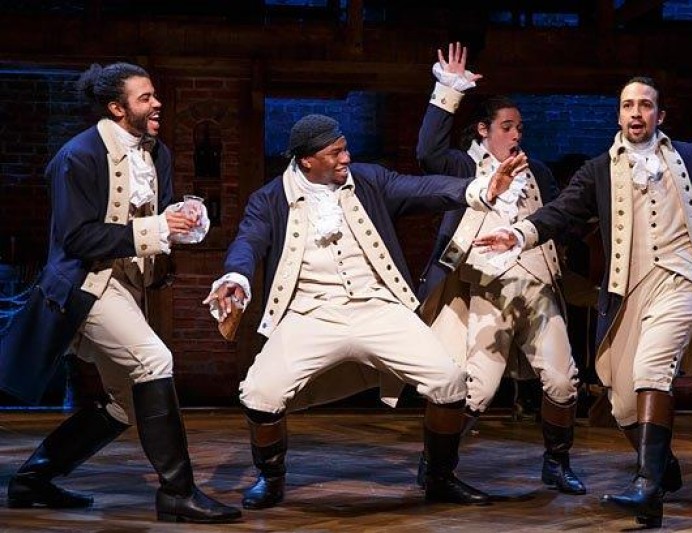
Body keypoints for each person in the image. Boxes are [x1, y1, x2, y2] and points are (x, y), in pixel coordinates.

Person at [473, 75, 692, 527]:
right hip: (629, 289)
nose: (636, 113)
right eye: (628, 105)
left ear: (659, 115)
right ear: (619, 115)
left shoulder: (688, 157)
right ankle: (661, 464)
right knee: (623, 401)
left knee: (652, 369)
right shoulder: (598, 170)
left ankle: (647, 487)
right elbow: (560, 212)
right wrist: (518, 233)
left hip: (681, 279)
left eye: (645, 105)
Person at [203, 113, 527, 508]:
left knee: (449, 381)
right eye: (335, 153)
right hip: (309, 313)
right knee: (259, 393)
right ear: (307, 160)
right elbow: (249, 241)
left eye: (345, 149)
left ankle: (440, 477)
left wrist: (479, 189)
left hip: (380, 308)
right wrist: (236, 276)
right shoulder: (270, 198)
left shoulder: (369, 180)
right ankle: (270, 479)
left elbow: (423, 188)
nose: (346, 158)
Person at [0, 62, 241, 523]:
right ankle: (178, 493)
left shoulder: (156, 153)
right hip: (87, 284)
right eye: (145, 98)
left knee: (125, 401)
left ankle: (33, 479)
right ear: (117, 108)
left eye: (155, 95)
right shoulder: (78, 156)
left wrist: (183, 219)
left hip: (129, 286)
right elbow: (77, 238)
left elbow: (158, 215)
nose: (157, 104)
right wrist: (157, 227)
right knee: (155, 360)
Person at [413, 42, 584, 495]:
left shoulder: (537, 171)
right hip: (485, 290)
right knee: (477, 390)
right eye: (507, 127)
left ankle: (557, 463)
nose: (516, 134)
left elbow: (557, 221)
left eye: (519, 128)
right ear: (483, 130)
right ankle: (436, 464)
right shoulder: (462, 166)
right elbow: (427, 152)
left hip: (538, 287)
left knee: (563, 380)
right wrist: (449, 89)